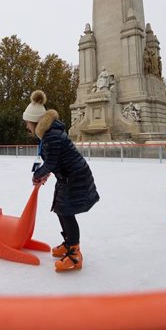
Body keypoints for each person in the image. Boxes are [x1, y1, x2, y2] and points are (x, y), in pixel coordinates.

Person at [23, 90, 100, 272]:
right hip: (67, 176)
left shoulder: (51, 136)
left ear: (34, 122)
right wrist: (46, 173)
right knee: (60, 209)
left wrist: (38, 175)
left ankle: (74, 254)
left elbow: (52, 161)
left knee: (66, 211)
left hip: (75, 177)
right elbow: (55, 161)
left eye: (27, 123)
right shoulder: (50, 134)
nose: (27, 127)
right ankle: (68, 243)